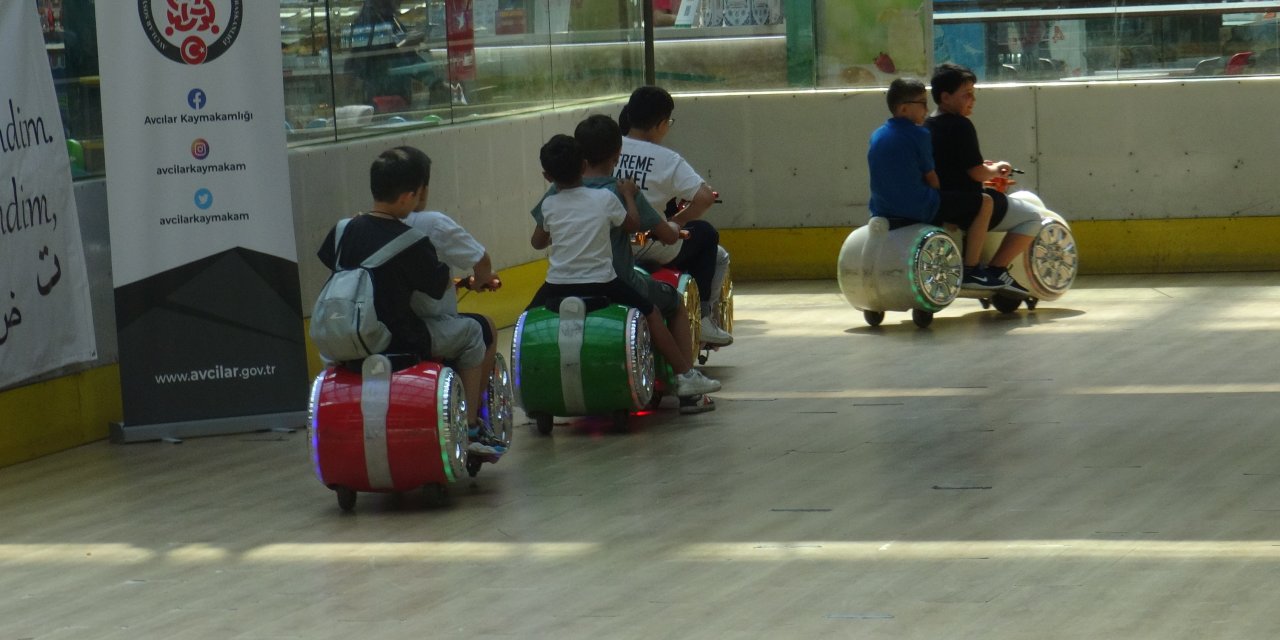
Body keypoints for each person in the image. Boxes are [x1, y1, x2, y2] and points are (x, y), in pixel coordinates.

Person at [316, 146, 493, 455]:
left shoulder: (342, 230)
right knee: (473, 334)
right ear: (408, 197)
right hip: (399, 340)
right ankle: (473, 428)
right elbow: (436, 287)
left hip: (341, 338)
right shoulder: (413, 242)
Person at [528, 133, 721, 401]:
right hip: (603, 281)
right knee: (652, 311)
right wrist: (629, 195)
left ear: (547, 177)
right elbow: (631, 224)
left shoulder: (549, 202)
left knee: (525, 319)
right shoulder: (606, 198)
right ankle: (685, 375)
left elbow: (537, 242)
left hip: (557, 284)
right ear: (582, 166)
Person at [401, 149, 507, 455]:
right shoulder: (432, 223)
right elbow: (480, 259)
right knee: (482, 328)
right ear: (421, 190)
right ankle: (472, 425)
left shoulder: (361, 226)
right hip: (426, 330)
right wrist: (483, 278)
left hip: (378, 330)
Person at [616, 86, 733, 345]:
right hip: (648, 246)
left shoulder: (607, 150)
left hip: (609, 244)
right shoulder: (667, 159)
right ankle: (702, 319)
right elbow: (704, 198)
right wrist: (677, 221)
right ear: (660, 124)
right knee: (704, 234)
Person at [867, 77, 1003, 289]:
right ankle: (972, 269)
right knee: (985, 202)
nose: (927, 109)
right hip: (919, 207)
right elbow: (932, 178)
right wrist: (943, 213)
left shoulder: (877, 134)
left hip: (881, 210)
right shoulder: (919, 134)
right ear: (904, 109)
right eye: (922, 104)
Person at [927, 63, 1045, 294]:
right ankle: (994, 269)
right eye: (967, 94)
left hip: (940, 201)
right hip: (967, 204)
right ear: (946, 97)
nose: (973, 99)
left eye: (973, 94)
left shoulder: (928, 125)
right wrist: (998, 168)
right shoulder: (961, 125)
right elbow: (976, 173)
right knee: (1032, 217)